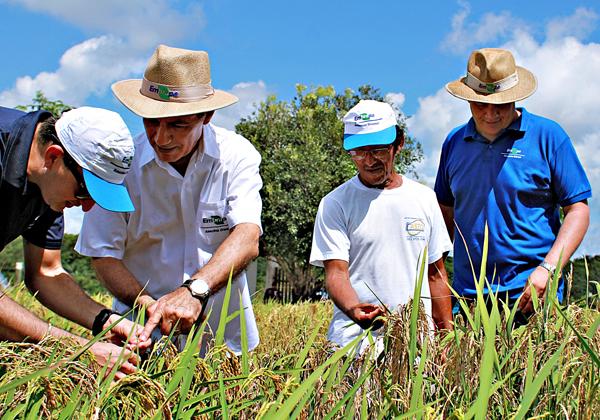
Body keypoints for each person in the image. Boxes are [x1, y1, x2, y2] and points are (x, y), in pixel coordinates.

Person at [76, 45, 262, 353]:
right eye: (152, 121)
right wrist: (149, 305)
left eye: (178, 124)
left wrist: (195, 291)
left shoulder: (235, 156)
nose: (161, 138)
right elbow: (103, 253)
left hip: (222, 341)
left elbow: (247, 236)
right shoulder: (121, 167)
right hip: (142, 336)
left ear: (206, 116)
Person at [435, 48, 591, 316]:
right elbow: (444, 212)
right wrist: (434, 277)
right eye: (481, 105)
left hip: (532, 293)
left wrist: (548, 269)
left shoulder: (548, 136)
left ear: (515, 98)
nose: (490, 115)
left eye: (500, 105)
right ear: (468, 100)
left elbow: (578, 209)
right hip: (469, 297)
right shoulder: (454, 142)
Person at [0, 105, 149, 379]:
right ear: (54, 156)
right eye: (84, 192)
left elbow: (46, 273)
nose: (87, 208)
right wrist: (75, 349)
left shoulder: (50, 186)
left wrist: (105, 321)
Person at [309, 100, 453, 351]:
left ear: (398, 145)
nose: (369, 160)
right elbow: (336, 273)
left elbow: (436, 274)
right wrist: (354, 308)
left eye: (378, 149)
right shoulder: (335, 203)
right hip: (354, 344)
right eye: (359, 151)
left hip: (415, 344)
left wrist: (446, 337)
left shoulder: (423, 198)